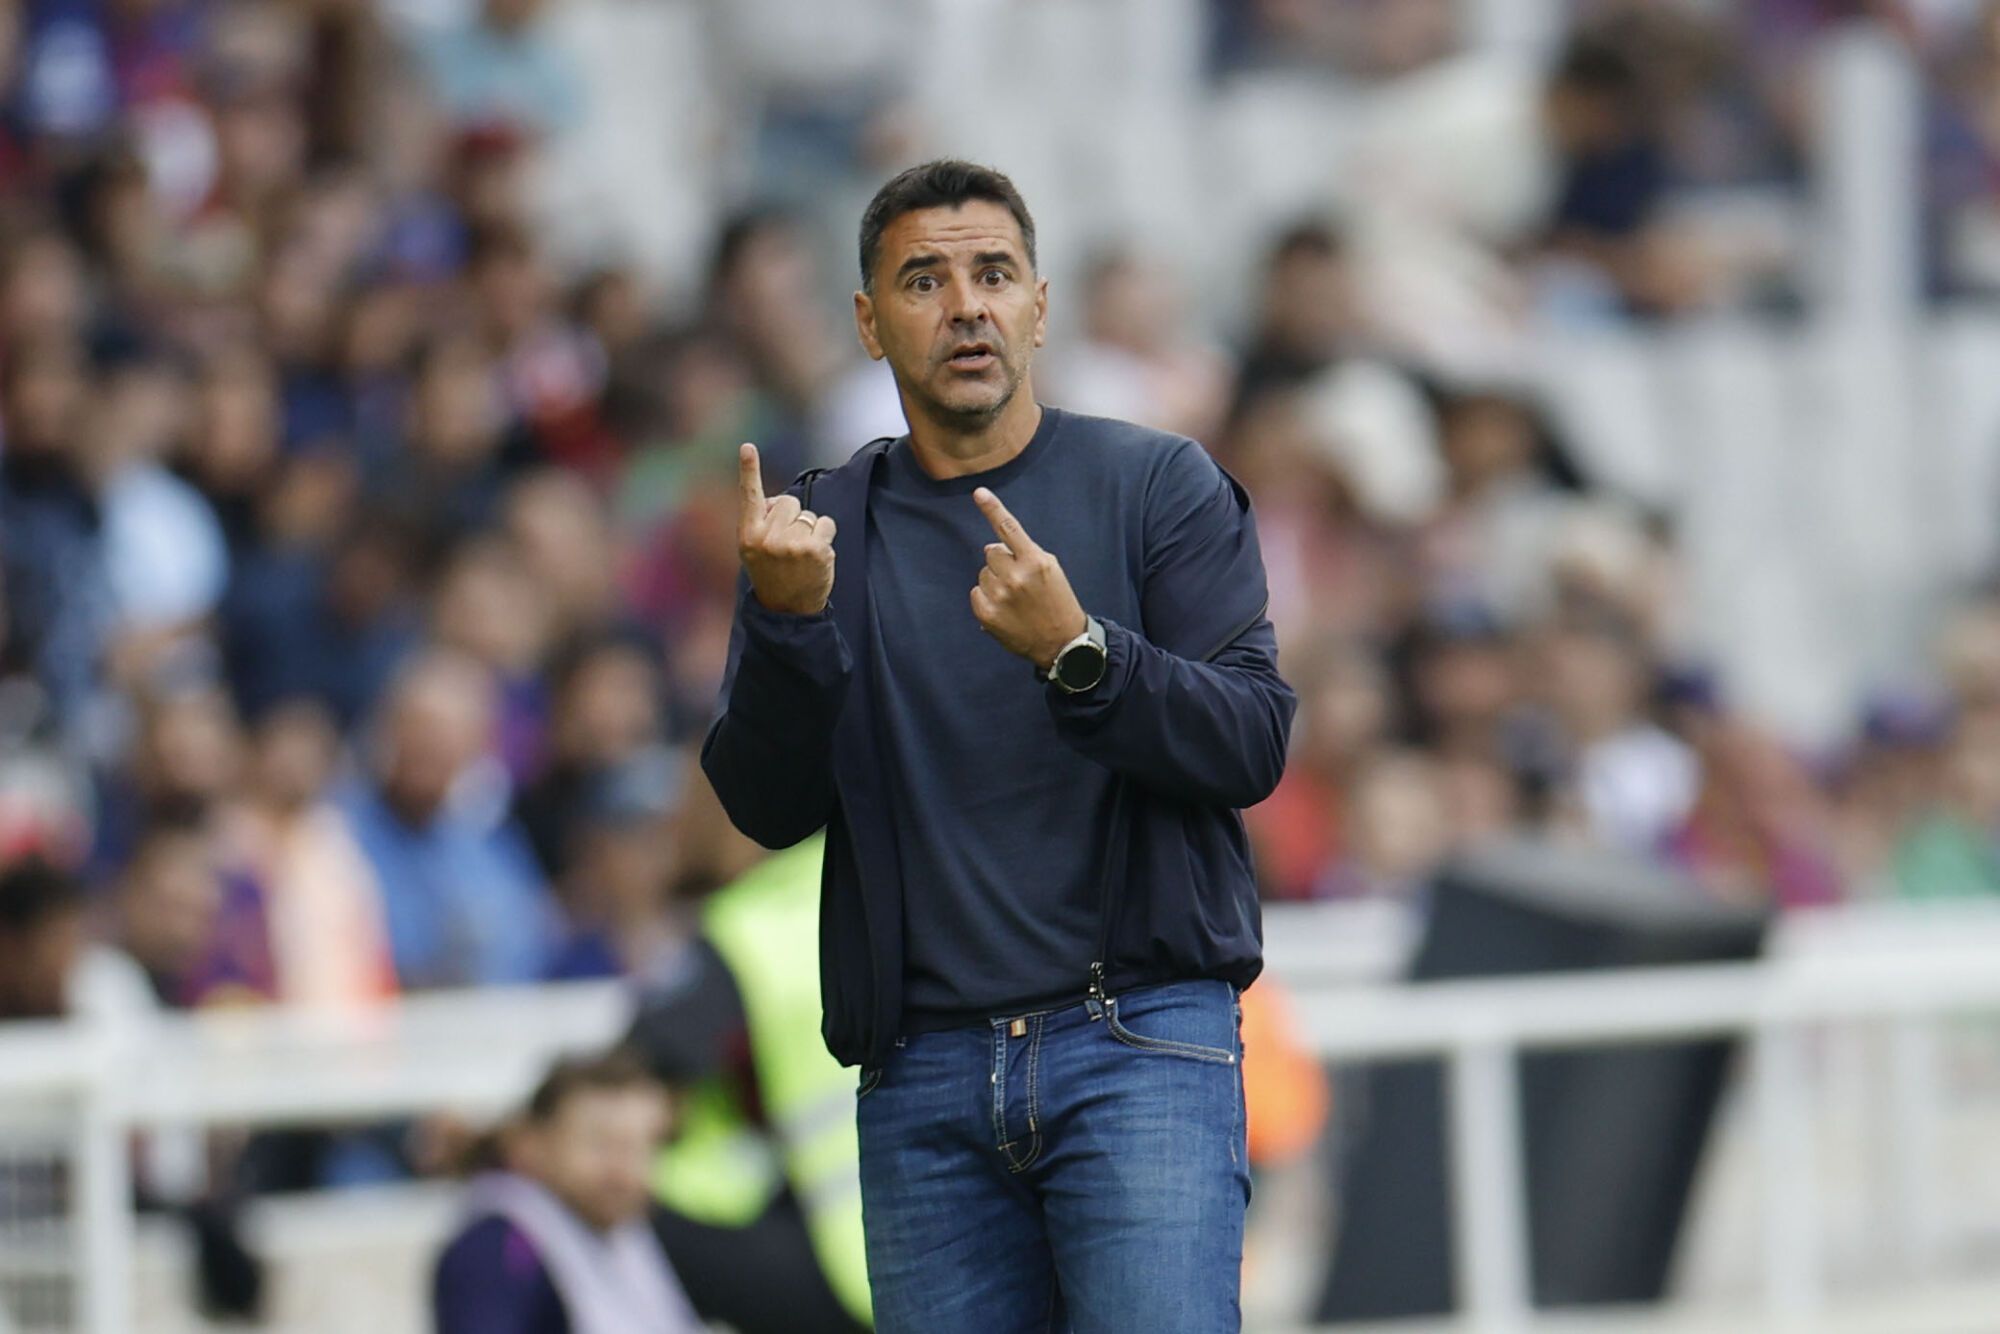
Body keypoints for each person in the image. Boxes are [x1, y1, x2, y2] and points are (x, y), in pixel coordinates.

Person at [703, 160, 1296, 1333]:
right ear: (868, 323)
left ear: (1037, 305)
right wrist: (787, 625)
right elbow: (766, 807)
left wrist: (1079, 652)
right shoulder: (817, 532)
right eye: (923, 280)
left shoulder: (1157, 483)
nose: (964, 305)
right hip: (921, 1072)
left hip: (1138, 1042)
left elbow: (1249, 740)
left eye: (992, 273)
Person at [432, 1051, 699, 1334]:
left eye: (638, 1147)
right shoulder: (498, 1250)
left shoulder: (628, 1238)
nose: (621, 1170)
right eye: (600, 1144)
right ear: (531, 1144)